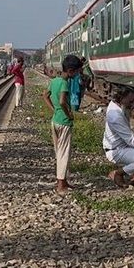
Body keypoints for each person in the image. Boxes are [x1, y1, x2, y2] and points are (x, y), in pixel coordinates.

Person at [43, 54, 83, 194]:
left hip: (55, 120)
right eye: (77, 71)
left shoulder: (55, 81)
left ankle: (63, 181)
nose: (78, 74)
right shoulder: (65, 83)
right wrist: (69, 114)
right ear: (71, 71)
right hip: (64, 122)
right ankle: (61, 185)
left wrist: (54, 111)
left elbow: (45, 95)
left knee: (58, 152)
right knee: (64, 153)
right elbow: (61, 101)